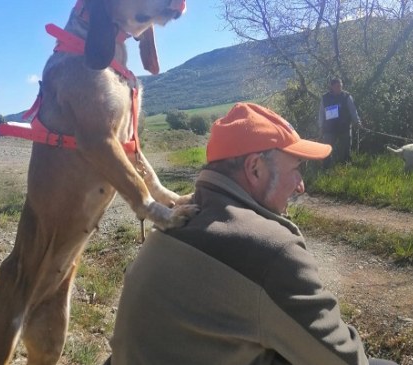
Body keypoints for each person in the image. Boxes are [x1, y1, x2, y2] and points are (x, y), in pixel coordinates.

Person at [109, 103, 397, 365]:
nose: (301, 186)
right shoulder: (269, 249)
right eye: (296, 168)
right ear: (255, 169)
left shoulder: (171, 228)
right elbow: (344, 361)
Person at [318, 77, 362, 168]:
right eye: (337, 86)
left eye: (341, 85)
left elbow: (353, 110)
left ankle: (346, 167)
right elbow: (321, 113)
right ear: (332, 87)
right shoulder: (325, 98)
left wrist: (357, 121)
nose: (340, 88)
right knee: (327, 149)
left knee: (346, 149)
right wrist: (321, 126)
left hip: (344, 127)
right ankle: (326, 168)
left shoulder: (347, 96)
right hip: (329, 128)